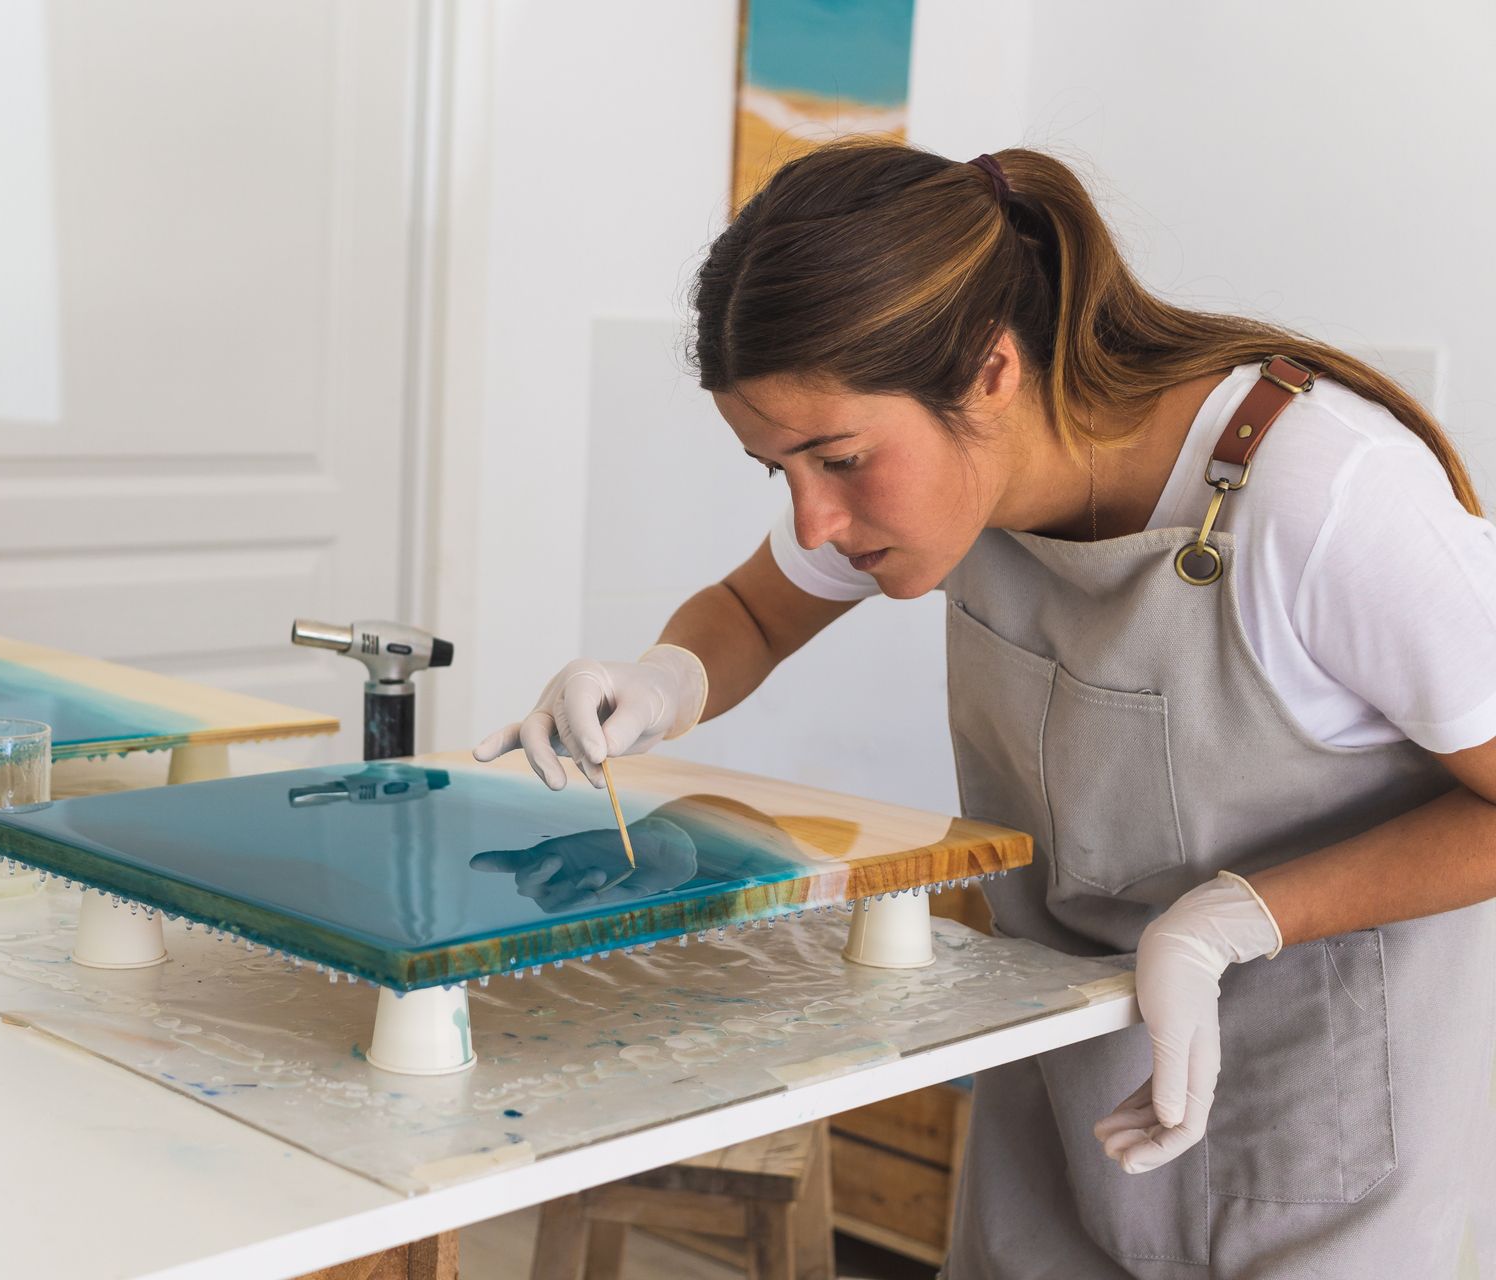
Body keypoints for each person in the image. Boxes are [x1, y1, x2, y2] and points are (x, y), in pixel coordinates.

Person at [473, 139, 1496, 1277]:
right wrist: (662, 678)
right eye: (779, 470)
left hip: (1318, 1114)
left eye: (839, 459)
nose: (814, 522)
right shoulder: (948, 476)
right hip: (1061, 1081)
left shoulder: (1327, 497)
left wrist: (1231, 919)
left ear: (991, 371)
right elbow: (752, 612)